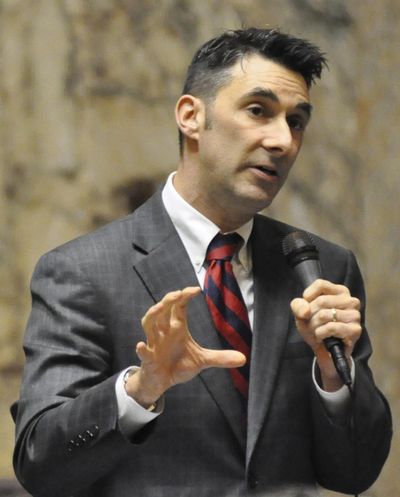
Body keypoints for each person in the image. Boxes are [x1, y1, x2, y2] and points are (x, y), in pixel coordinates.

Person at [12, 28, 392, 497]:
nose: (282, 141)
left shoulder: (321, 268)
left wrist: (334, 377)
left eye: (296, 121)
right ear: (192, 116)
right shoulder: (82, 271)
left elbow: (356, 472)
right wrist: (140, 389)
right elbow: (40, 467)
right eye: (258, 111)